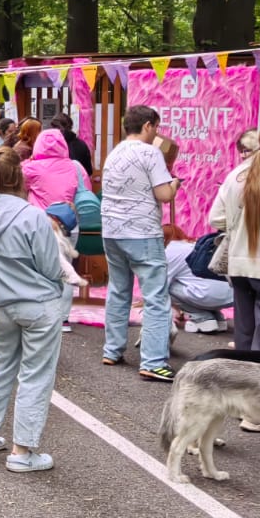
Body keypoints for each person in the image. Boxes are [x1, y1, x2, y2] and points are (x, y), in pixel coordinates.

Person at [0, 148, 73, 473]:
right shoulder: (33, 216)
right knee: (36, 374)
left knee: (3, 364)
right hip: (38, 302)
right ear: (18, 176)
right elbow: (50, 266)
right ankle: (22, 450)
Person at [100, 105, 179, 380]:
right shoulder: (150, 152)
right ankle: (153, 362)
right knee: (155, 297)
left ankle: (112, 350)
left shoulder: (114, 152)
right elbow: (164, 194)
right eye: (156, 126)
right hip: (142, 232)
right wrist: (175, 184)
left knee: (118, 290)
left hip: (112, 231)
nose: (156, 132)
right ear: (147, 125)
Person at [209, 120, 260, 352]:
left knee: (244, 333)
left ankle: (241, 373)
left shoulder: (236, 174)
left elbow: (216, 218)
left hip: (238, 265)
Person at [162, 224, 233, 334]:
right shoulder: (193, 245)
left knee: (167, 287)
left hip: (207, 295)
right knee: (196, 282)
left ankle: (202, 317)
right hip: (231, 294)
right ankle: (218, 317)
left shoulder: (169, 251)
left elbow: (160, 286)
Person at [23, 128, 90, 212]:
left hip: (41, 216)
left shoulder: (30, 168)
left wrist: (28, 161)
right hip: (69, 215)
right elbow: (86, 189)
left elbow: (18, 189)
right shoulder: (76, 166)